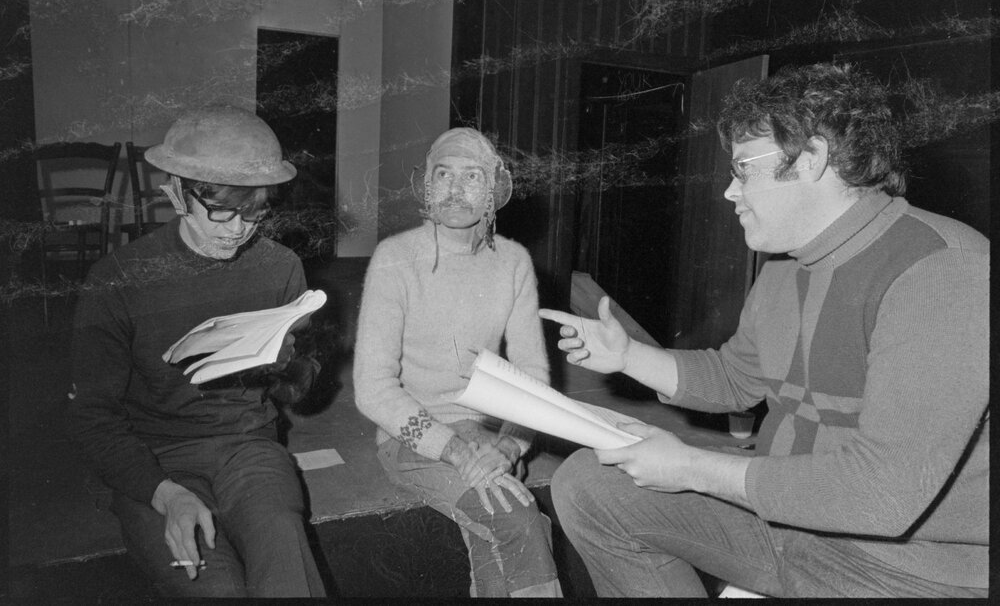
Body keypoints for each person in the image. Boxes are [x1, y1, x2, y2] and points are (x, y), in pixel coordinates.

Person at [540, 62, 988, 598]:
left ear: (813, 158)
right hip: (782, 520)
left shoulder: (943, 269)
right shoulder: (784, 267)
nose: (730, 191)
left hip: (900, 568)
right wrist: (628, 356)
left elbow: (882, 494)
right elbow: (737, 379)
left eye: (744, 168)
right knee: (590, 483)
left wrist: (691, 467)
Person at [67, 106, 327, 598]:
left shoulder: (280, 267)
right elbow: (93, 418)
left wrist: (289, 366)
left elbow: (298, 391)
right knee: (215, 589)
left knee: (284, 560)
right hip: (156, 458)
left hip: (248, 449)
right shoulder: (117, 280)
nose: (238, 229)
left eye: (254, 212)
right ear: (176, 193)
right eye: (222, 210)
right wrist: (164, 495)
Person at [353, 127, 562, 598]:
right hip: (414, 436)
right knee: (517, 519)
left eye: (472, 177)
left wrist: (509, 447)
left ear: (494, 191)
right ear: (427, 186)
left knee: (502, 529)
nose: (455, 188)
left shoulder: (513, 261)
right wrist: (456, 450)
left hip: (489, 438)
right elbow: (372, 387)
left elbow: (532, 377)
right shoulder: (395, 257)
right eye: (443, 175)